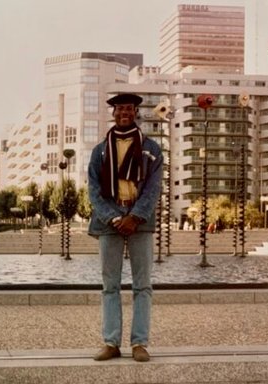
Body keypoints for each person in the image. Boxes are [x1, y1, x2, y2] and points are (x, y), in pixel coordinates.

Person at [87, 93, 163, 363]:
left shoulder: (151, 148)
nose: (124, 114)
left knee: (142, 286)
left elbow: (154, 188)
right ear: (114, 113)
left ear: (136, 112)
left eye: (129, 109)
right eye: (120, 109)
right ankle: (111, 342)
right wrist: (114, 217)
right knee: (110, 286)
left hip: (139, 222)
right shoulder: (100, 150)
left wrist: (134, 216)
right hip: (110, 223)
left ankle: (139, 343)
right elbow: (93, 191)